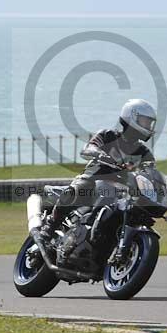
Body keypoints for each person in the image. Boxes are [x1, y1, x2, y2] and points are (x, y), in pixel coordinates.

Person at [39, 98, 157, 237]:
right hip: (95, 178)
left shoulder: (144, 152)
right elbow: (89, 148)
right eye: (145, 121)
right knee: (77, 189)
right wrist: (100, 154)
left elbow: (151, 172)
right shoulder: (108, 135)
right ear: (131, 117)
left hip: (122, 189)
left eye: (150, 123)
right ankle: (50, 226)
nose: (148, 126)